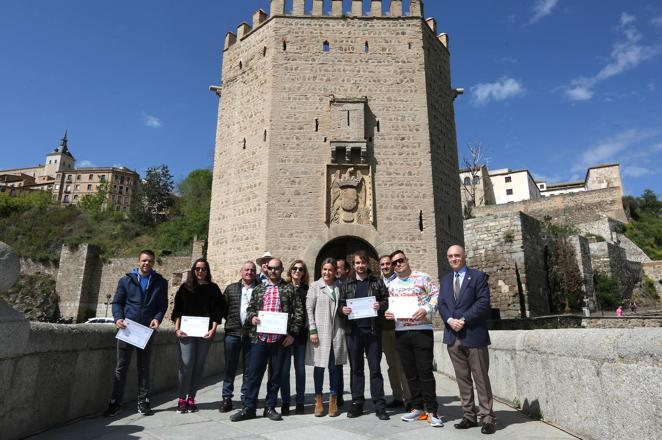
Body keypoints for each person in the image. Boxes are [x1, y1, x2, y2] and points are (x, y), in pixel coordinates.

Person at [230, 258, 304, 422]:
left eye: (277, 268)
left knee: (276, 375)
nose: (273, 271)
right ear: (266, 270)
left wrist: (292, 334)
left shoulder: (289, 289)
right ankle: (249, 408)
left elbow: (299, 313)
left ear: (282, 269)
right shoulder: (259, 289)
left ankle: (269, 407)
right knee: (253, 374)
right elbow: (250, 310)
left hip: (280, 340)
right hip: (259, 339)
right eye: (270, 268)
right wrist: (253, 318)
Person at [438, 245, 496, 435]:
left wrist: (463, 319)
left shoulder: (477, 277)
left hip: (474, 335)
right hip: (453, 337)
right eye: (450, 256)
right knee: (462, 379)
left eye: (457, 255)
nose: (453, 259)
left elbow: (483, 302)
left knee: (480, 378)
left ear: (464, 257)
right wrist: (448, 320)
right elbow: (442, 304)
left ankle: (487, 418)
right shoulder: (445, 280)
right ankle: (469, 416)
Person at [104, 250, 168, 417]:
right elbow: (117, 302)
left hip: (146, 331)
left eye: (150, 261)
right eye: (144, 260)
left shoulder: (160, 282)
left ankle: (144, 401)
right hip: (127, 330)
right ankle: (115, 402)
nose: (147, 263)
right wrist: (118, 318)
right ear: (138, 262)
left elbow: (162, 305)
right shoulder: (125, 280)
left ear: (153, 263)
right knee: (121, 368)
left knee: (144, 367)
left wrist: (157, 319)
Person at [385, 250, 443, 428]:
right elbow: (392, 306)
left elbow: (436, 296)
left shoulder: (422, 277)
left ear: (407, 260)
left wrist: (426, 309)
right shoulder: (392, 285)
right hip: (401, 332)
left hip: (422, 330)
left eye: (400, 260)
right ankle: (417, 407)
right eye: (394, 263)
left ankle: (432, 411)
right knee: (410, 372)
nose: (397, 264)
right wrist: (389, 313)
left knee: (425, 371)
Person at [340, 252, 390, 420]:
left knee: (375, 370)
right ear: (353, 265)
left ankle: (379, 406)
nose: (360, 265)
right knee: (356, 370)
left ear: (367, 264)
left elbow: (387, 300)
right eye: (357, 263)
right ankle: (357, 404)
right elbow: (341, 304)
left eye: (362, 262)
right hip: (354, 333)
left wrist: (380, 305)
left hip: (373, 331)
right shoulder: (347, 284)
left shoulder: (377, 282)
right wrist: (343, 310)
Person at [171, 258, 224, 413]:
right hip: (186, 333)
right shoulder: (185, 288)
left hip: (205, 333)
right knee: (186, 365)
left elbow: (217, 312)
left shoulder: (213, 289)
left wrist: (213, 329)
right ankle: (181, 397)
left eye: (203, 269)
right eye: (197, 269)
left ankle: (191, 398)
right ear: (193, 271)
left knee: (198, 366)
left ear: (208, 271)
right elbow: (178, 311)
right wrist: (176, 329)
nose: (200, 272)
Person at [307, 257, 347, 417]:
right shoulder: (315, 286)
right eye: (325, 269)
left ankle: (333, 400)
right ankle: (318, 400)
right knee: (319, 367)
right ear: (321, 270)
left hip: (336, 332)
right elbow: (309, 309)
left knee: (335, 367)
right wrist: (312, 330)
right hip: (320, 332)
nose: (327, 272)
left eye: (330, 270)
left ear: (335, 271)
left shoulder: (339, 286)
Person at [220, 261, 258, 413]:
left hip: (252, 335)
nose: (249, 272)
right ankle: (226, 398)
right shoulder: (231, 289)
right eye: (246, 270)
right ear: (241, 272)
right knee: (230, 367)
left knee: (249, 369)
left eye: (252, 270)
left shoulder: (260, 289)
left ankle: (245, 397)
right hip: (233, 333)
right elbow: (223, 308)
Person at [379, 254, 410, 410]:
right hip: (385, 329)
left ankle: (409, 398)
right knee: (391, 365)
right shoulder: (377, 283)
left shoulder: (401, 281)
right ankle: (397, 396)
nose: (385, 267)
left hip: (400, 327)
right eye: (383, 264)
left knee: (403, 364)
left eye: (388, 264)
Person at [280, 260, 310, 415]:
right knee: (284, 370)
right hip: (284, 335)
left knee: (300, 369)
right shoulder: (284, 288)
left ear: (304, 272)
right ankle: (285, 401)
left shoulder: (307, 290)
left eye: (300, 269)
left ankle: (299, 401)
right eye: (295, 268)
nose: (297, 271)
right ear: (290, 270)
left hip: (300, 336)